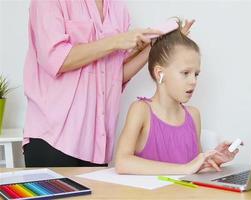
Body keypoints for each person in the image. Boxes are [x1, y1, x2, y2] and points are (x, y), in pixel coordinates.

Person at [22, 0, 194, 167]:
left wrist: (154, 45)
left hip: (96, 143)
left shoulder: (119, 9)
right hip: (52, 137)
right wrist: (116, 41)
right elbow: (55, 59)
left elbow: (115, 77)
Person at [115, 23, 238, 175]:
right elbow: (122, 162)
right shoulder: (141, 110)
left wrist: (212, 159)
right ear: (160, 73)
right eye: (185, 73)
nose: (193, 81)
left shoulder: (194, 115)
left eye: (196, 74)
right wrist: (184, 168)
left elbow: (192, 169)